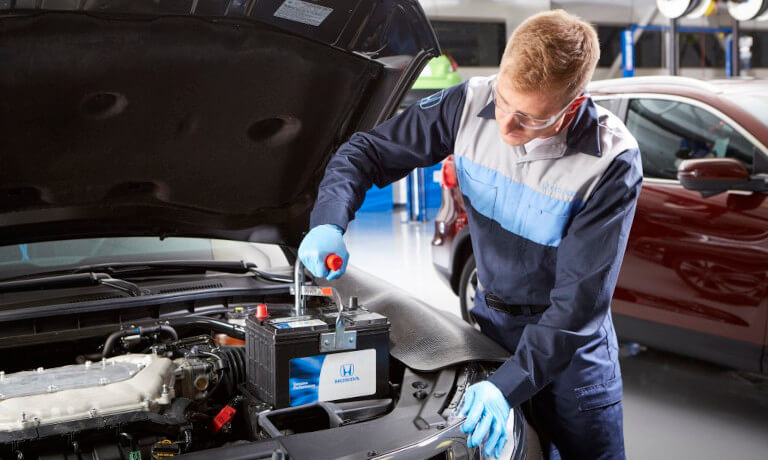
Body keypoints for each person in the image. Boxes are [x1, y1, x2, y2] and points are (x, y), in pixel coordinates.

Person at [298, 10, 641, 460]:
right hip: (492, 329)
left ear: (571, 108)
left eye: (526, 118)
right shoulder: (467, 104)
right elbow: (366, 153)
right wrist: (328, 220)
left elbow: (577, 309)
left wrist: (507, 388)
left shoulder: (610, 162)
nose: (504, 126)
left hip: (573, 359)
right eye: (502, 101)